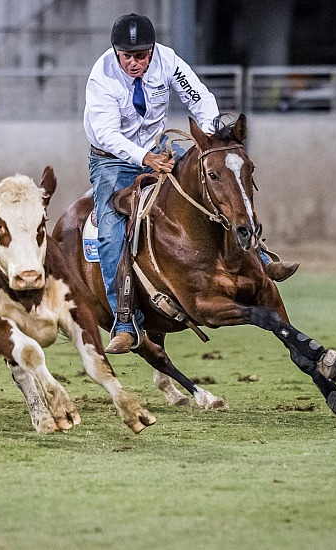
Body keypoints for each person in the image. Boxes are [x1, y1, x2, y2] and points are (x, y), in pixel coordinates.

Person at [84, 13, 298, 354]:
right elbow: (108, 135)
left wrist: (212, 134)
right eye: (128, 55)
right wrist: (145, 159)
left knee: (220, 181)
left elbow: (197, 95)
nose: (135, 62)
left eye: (142, 54)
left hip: (158, 145)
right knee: (110, 231)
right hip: (113, 160)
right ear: (116, 52)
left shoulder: (167, 60)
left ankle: (260, 254)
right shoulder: (102, 78)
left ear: (152, 50)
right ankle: (125, 320)